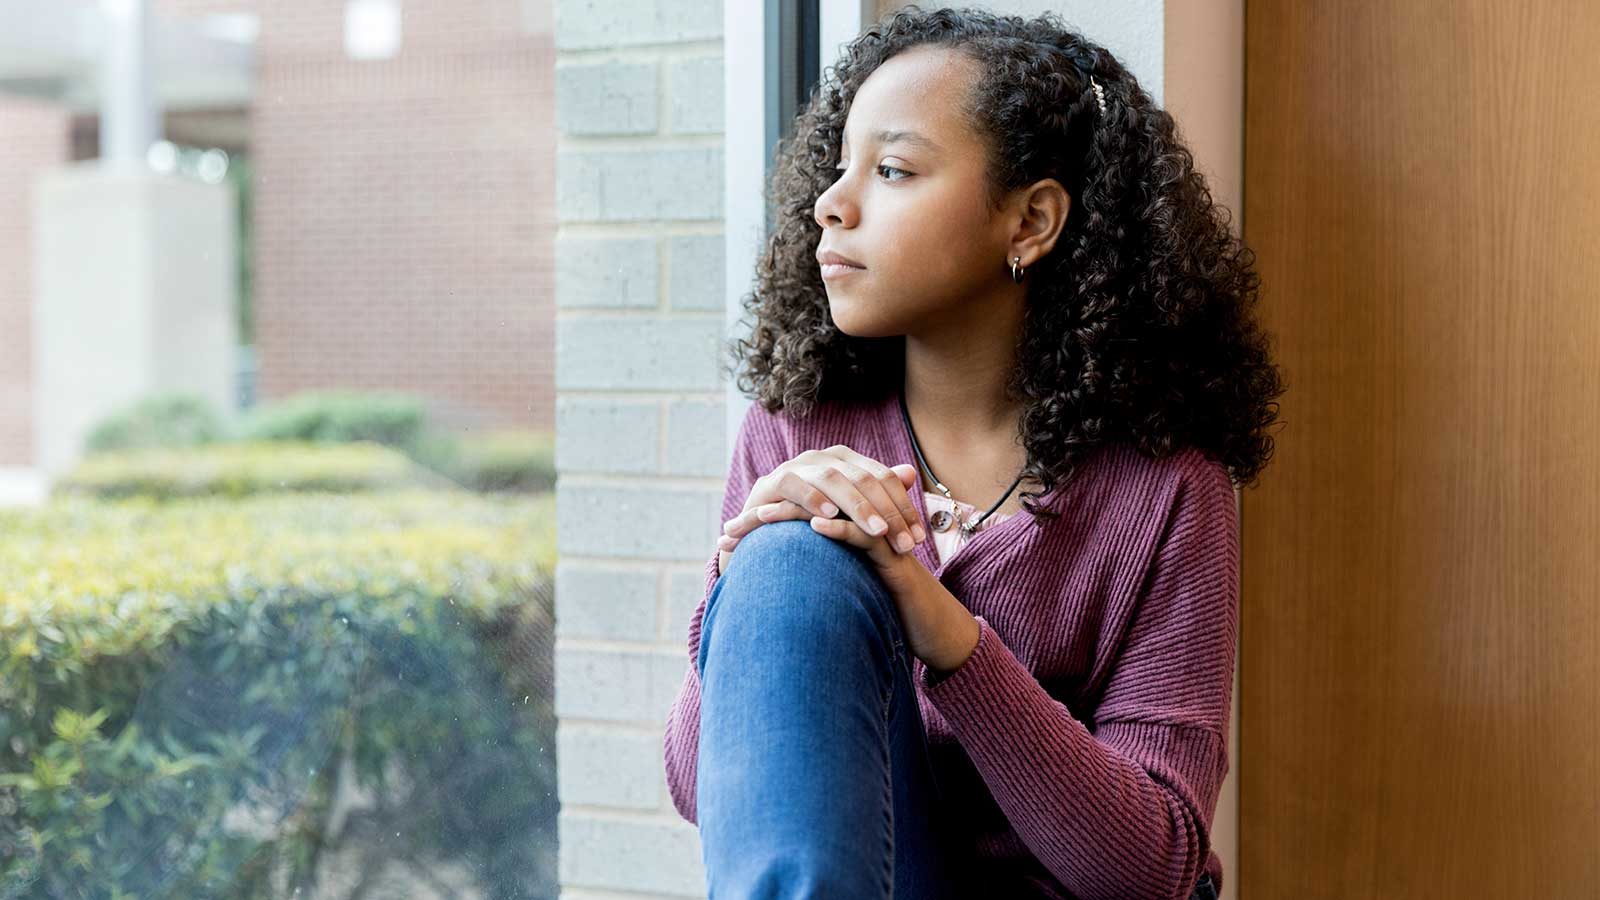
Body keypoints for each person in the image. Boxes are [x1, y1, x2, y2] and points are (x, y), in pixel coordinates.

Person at [663, 6, 1285, 898]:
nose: (831, 205)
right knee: (786, 560)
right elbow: (702, 789)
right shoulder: (800, 426)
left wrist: (945, 632)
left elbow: (1151, 867)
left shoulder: (1165, 485)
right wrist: (741, 581)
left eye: (892, 170)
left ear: (1030, 221)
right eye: (839, 168)